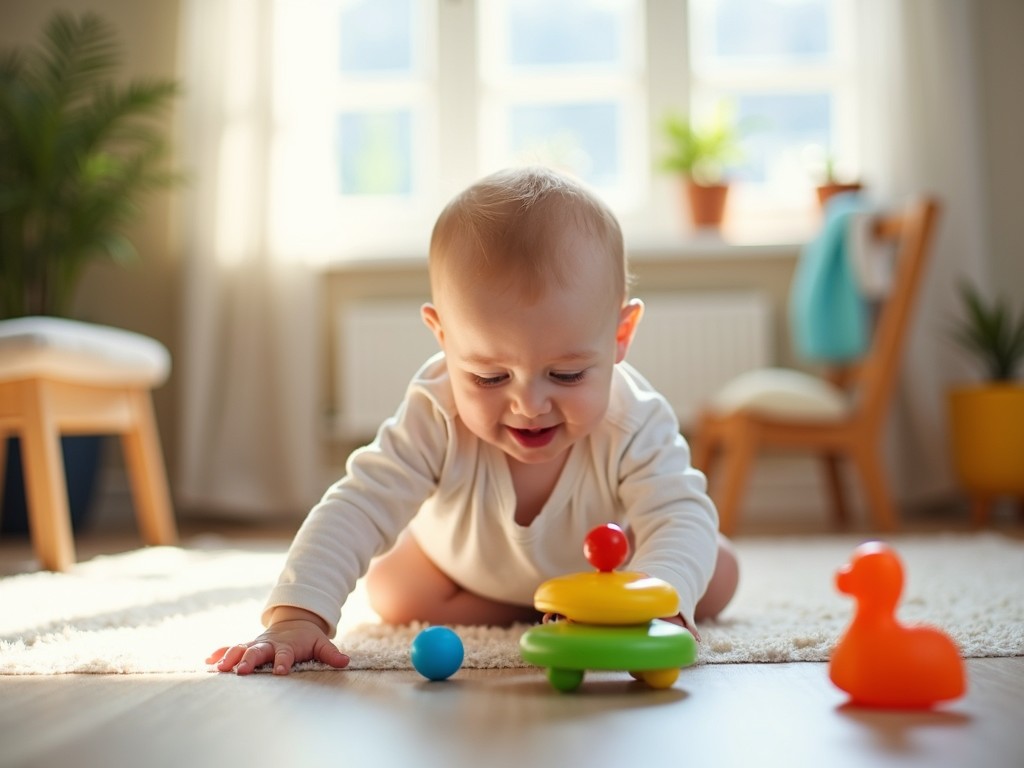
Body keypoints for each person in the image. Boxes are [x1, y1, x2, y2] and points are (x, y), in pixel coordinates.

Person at [209, 166, 739, 676]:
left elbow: (676, 511)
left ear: (621, 335)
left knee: (715, 569)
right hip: (460, 572)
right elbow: (359, 502)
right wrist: (298, 616)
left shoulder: (636, 420)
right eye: (489, 377)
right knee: (393, 587)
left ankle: (584, 608)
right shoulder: (435, 410)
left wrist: (658, 604)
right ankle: (537, 612)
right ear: (443, 337)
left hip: (602, 579)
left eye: (567, 373)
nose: (529, 404)